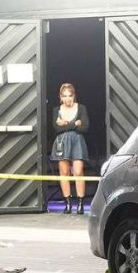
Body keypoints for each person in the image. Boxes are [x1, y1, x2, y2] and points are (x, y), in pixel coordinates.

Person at [51, 82, 90, 214]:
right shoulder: (57, 110)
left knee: (78, 171)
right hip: (61, 142)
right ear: (60, 97)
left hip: (77, 141)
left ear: (74, 96)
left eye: (70, 96)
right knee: (64, 172)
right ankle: (67, 203)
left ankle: (80, 203)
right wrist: (75, 123)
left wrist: (66, 124)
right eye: (65, 96)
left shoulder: (81, 108)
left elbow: (85, 127)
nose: (68, 99)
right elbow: (56, 129)